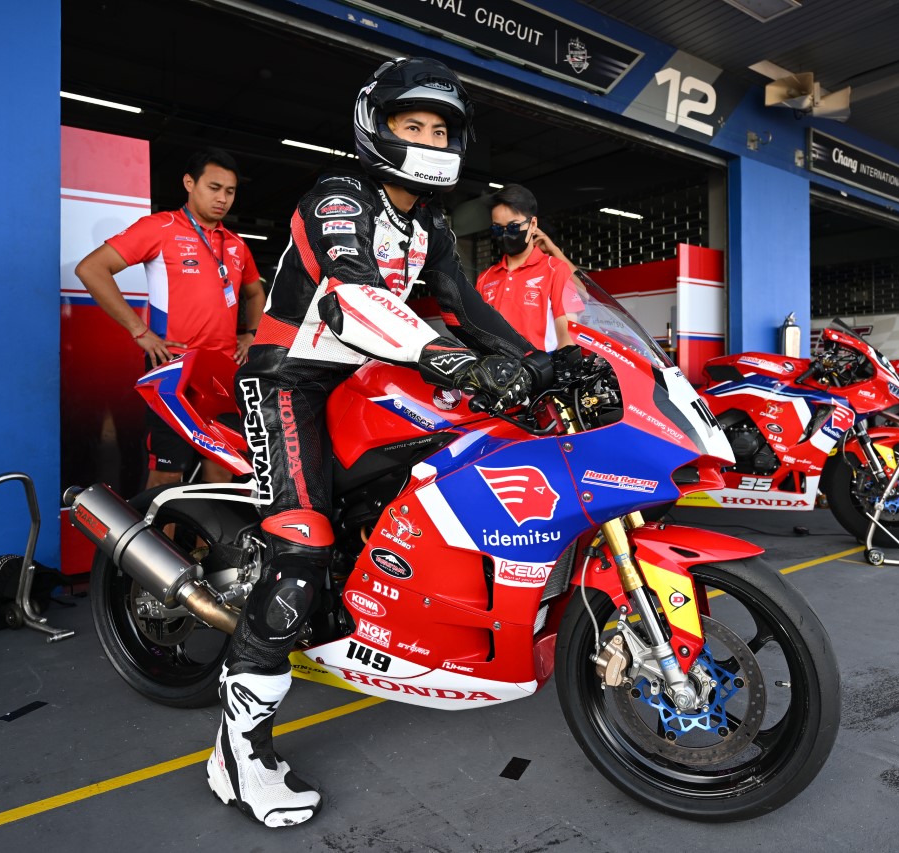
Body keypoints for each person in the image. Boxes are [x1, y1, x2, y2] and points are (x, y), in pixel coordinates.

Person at [206, 56, 549, 828]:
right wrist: (447, 357)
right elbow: (353, 291)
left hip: (370, 377)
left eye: (440, 129)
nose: (429, 139)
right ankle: (237, 752)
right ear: (377, 126)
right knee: (301, 546)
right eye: (412, 124)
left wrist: (544, 363)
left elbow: (465, 308)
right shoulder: (339, 195)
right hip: (290, 377)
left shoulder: (430, 221)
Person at [75, 148, 265, 488]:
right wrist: (139, 330)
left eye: (230, 191)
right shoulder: (160, 227)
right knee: (167, 474)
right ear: (189, 183)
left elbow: (255, 294)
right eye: (214, 187)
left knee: (223, 469)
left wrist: (251, 333)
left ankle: (206, 528)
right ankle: (157, 527)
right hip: (174, 369)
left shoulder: (237, 244)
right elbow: (91, 268)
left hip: (223, 372)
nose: (222, 198)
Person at [476, 184, 585, 351]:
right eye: (498, 229)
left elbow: (567, 338)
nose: (505, 234)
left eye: (513, 227)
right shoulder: (485, 278)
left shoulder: (555, 270)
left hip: (539, 366)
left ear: (533, 224)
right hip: (493, 366)